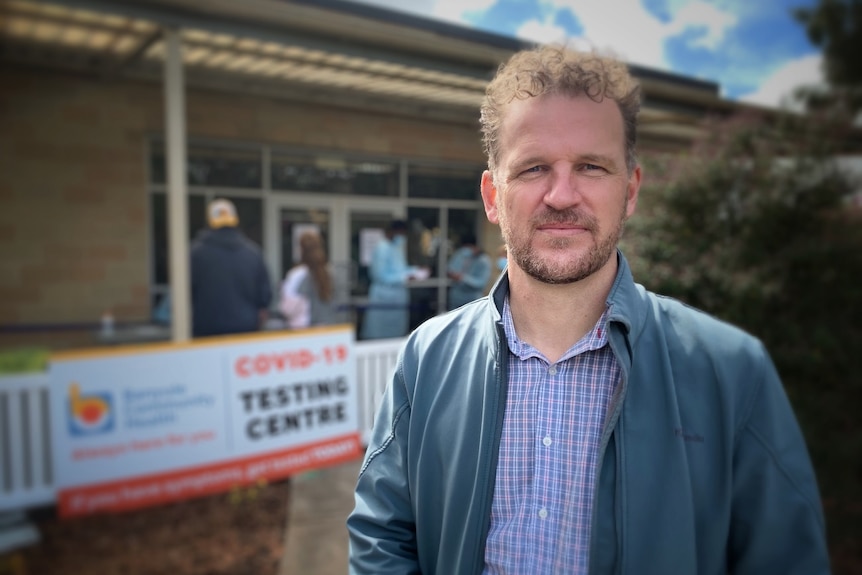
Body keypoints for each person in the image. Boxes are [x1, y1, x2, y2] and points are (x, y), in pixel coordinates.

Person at [348, 46, 829, 574]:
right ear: (492, 195)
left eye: (591, 166)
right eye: (533, 168)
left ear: (630, 191)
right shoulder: (428, 357)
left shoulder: (732, 371)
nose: (561, 194)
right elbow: (383, 535)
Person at [190, 198, 271, 337]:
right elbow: (265, 297)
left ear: (210, 221)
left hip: (206, 332)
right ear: (235, 220)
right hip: (245, 330)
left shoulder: (195, 253)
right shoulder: (253, 253)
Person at [360, 219, 424, 340]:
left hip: (398, 295)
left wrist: (415, 270)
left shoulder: (396, 248)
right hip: (384, 296)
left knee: (397, 333)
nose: (402, 237)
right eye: (401, 233)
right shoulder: (382, 248)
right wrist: (403, 277)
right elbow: (379, 275)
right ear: (393, 232)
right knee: (380, 333)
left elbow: (400, 269)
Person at [280, 230, 339, 328]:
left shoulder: (297, 275)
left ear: (301, 249)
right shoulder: (330, 273)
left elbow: (287, 309)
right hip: (328, 330)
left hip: (305, 333)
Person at [446, 233, 492, 310]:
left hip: (472, 301)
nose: (465, 250)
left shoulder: (483, 261)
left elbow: (481, 283)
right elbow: (450, 269)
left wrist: (462, 278)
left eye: (468, 247)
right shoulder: (460, 254)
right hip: (455, 299)